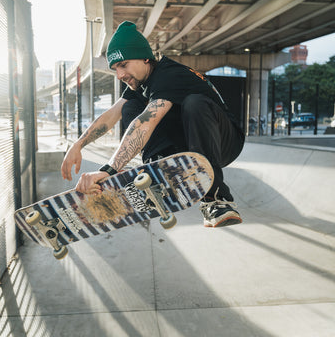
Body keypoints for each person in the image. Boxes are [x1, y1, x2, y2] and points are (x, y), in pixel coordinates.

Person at [61, 21, 245, 227]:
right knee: (129, 107)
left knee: (195, 103)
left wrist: (109, 170)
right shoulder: (141, 82)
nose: (120, 75)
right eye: (115, 69)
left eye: (124, 65)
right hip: (190, 140)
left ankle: (217, 199)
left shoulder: (168, 74)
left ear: (145, 58)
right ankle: (159, 167)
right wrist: (78, 144)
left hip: (223, 141)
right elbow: (111, 115)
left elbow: (146, 122)